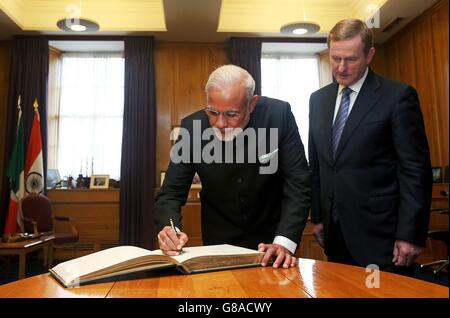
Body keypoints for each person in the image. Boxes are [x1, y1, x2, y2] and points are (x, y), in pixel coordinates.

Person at [155, 64, 311, 268]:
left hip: (273, 242)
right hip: (218, 243)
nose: (220, 123)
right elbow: (171, 193)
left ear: (252, 103)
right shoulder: (192, 128)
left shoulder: (278, 115)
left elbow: (299, 183)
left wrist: (284, 243)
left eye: (231, 114)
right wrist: (170, 229)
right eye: (212, 112)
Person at [308, 19, 432, 275]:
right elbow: (318, 165)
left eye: (350, 59)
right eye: (335, 58)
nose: (341, 68)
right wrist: (318, 217)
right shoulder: (318, 100)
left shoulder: (397, 97)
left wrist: (410, 234)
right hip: (335, 233)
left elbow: (414, 169)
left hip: (381, 236)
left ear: (370, 55)